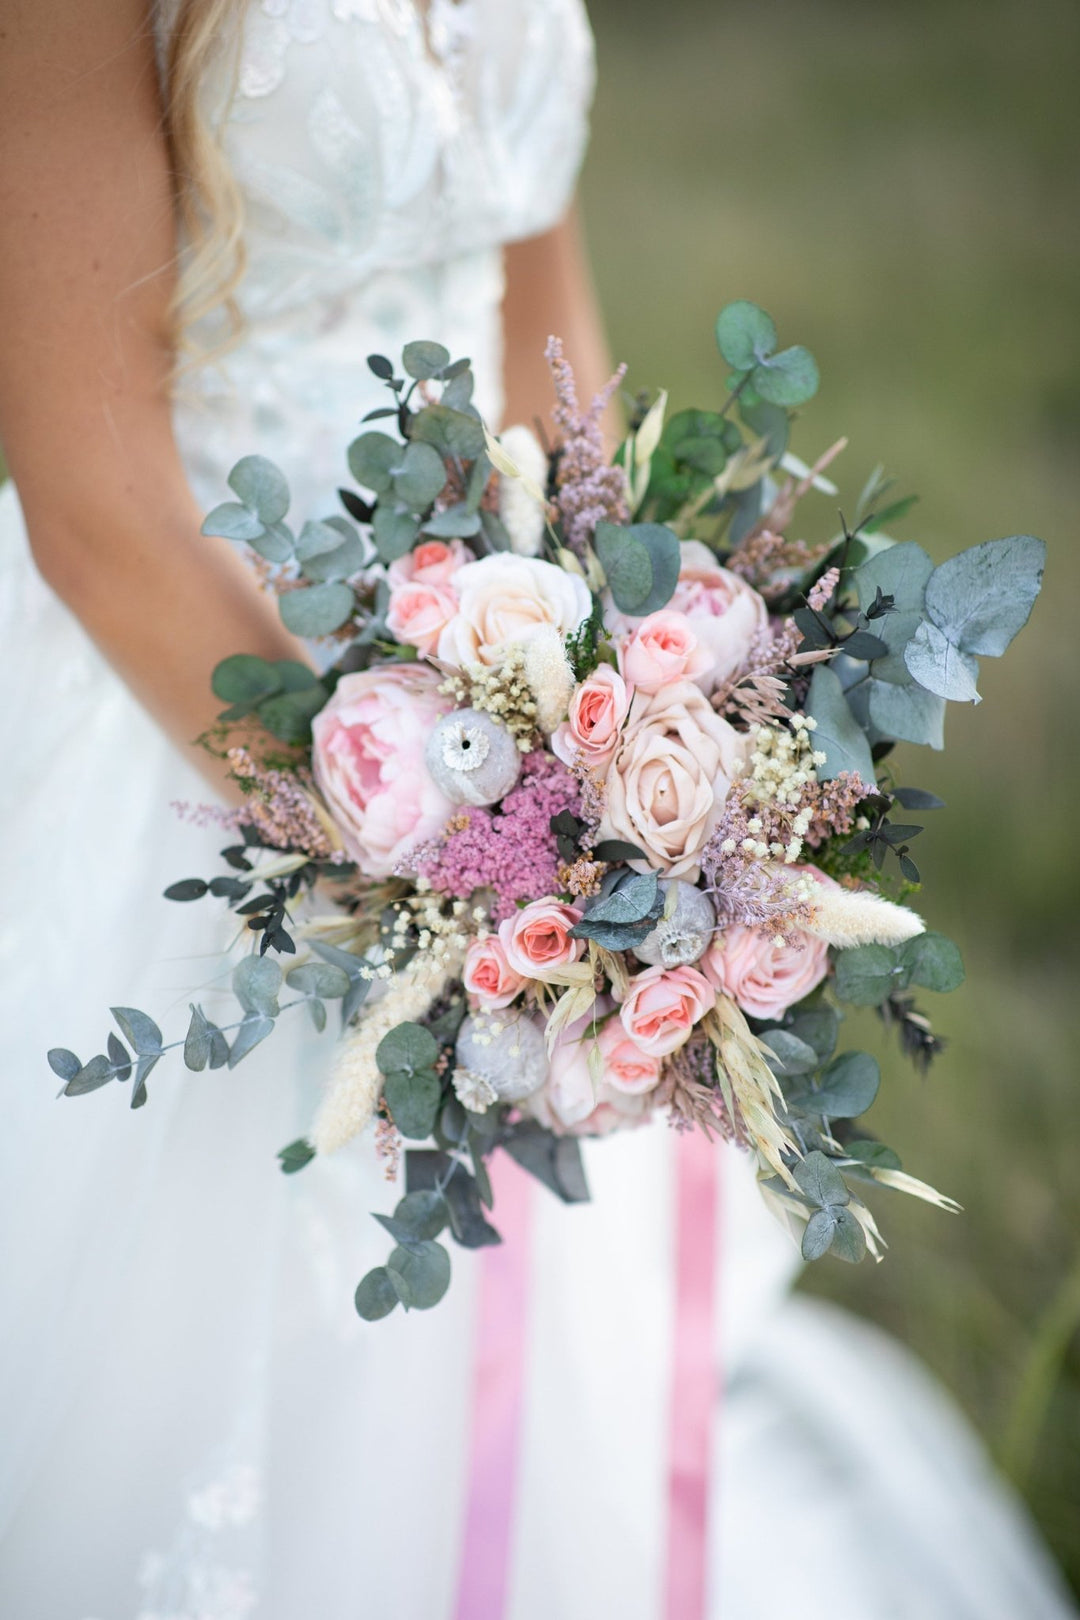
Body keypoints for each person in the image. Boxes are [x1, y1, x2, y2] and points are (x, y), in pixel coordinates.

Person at [0, 4, 1074, 1617]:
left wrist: (638, 705)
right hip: (182, 696)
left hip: (503, 669)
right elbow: (95, 502)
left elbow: (533, 306)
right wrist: (431, 863)